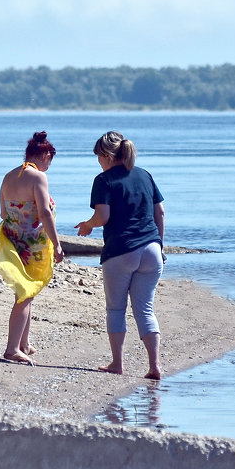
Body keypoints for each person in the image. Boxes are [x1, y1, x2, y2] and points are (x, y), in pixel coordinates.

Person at [75, 131, 165, 379]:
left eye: (98, 157)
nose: (98, 163)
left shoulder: (103, 180)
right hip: (152, 250)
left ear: (106, 155)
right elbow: (161, 213)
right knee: (145, 309)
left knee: (116, 309)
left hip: (121, 250)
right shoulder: (145, 175)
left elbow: (103, 217)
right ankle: (154, 365)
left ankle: (117, 363)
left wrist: (87, 225)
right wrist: (160, 245)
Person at [0, 131, 65, 365]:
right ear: (45, 155)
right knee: (25, 295)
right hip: (32, 245)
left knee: (25, 293)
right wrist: (57, 243)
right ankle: (12, 349)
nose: (49, 164)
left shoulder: (8, 176)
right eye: (51, 159)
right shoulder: (38, 177)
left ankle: (24, 343)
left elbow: (3, 213)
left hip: (12, 241)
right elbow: (44, 212)